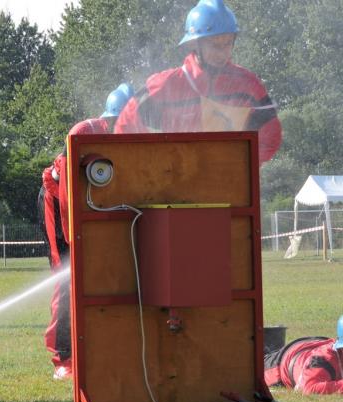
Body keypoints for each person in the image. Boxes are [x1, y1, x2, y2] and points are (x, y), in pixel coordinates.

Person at [38, 84, 133, 380]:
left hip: (87, 208)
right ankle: (63, 358)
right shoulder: (83, 133)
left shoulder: (130, 137)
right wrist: (74, 240)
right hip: (58, 205)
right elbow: (67, 195)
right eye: (124, 120)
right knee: (66, 277)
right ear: (112, 117)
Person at [114, 0, 282, 165]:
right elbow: (124, 129)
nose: (222, 52)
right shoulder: (165, 85)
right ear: (195, 44)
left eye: (228, 43)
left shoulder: (248, 85)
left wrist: (240, 164)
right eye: (215, 45)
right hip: (174, 180)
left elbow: (270, 135)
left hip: (229, 180)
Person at [264, 316, 343, 395]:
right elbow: (310, 388)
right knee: (258, 367)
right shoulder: (322, 361)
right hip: (280, 364)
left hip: (309, 346)